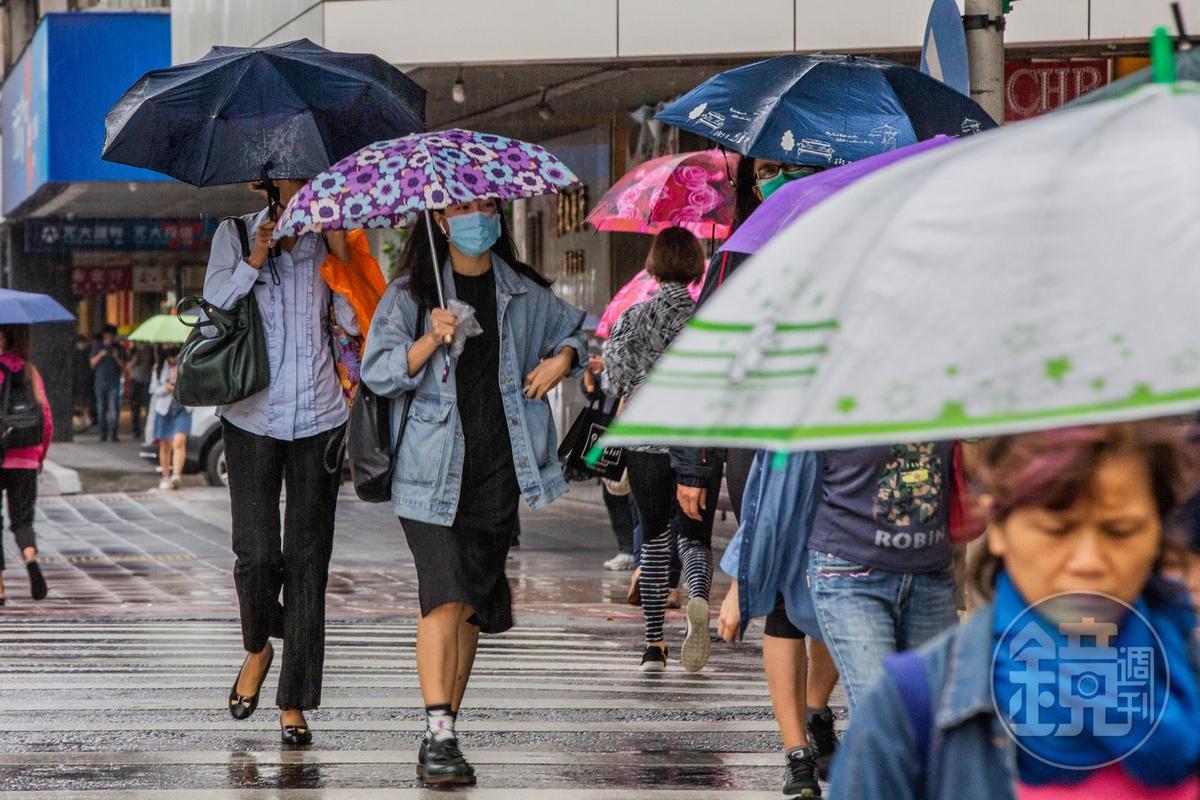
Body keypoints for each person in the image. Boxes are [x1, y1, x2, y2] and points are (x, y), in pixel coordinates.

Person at [830, 422, 1200, 799]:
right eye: (1056, 530)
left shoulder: (1190, 674)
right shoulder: (908, 709)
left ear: (1158, 531)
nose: (1088, 561)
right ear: (999, 529)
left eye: (1120, 530)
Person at [361, 197, 585, 786]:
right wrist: (429, 340)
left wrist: (562, 359)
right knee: (444, 593)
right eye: (462, 207)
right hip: (429, 472)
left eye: (487, 206)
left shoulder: (521, 291)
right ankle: (438, 733)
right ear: (439, 220)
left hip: (496, 472)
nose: (477, 216)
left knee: (468, 609)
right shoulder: (413, 293)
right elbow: (378, 371)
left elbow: (579, 329)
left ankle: (445, 730)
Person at [205, 178, 358, 747]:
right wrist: (256, 256)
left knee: (308, 561)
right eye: (292, 177)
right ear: (265, 182)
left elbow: (357, 321)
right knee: (256, 555)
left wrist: (342, 256)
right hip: (250, 414)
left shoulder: (334, 239)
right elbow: (214, 308)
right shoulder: (235, 233)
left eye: (310, 176)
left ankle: (294, 700)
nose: (302, 188)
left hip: (320, 414)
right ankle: (258, 648)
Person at [602, 226, 719, 674]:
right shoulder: (707, 318)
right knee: (694, 537)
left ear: (654, 263)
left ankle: (654, 644)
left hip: (645, 442)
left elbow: (614, 380)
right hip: (696, 444)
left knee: (653, 540)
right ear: (694, 265)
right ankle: (700, 600)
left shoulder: (633, 317)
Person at [807, 443, 959, 716]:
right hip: (850, 569)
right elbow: (781, 470)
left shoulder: (946, 401)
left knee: (932, 717)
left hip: (930, 572)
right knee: (881, 712)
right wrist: (745, 576)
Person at [0, 325, 52, 605]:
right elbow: (46, 416)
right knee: (22, 520)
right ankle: (30, 557)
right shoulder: (30, 371)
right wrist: (39, 455)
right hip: (26, 456)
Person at [580, 349, 636, 571]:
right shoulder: (612, 355)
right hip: (606, 433)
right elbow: (591, 392)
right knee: (611, 490)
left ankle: (635, 551)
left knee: (631, 493)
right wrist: (588, 371)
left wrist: (610, 366)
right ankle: (626, 549)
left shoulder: (636, 353)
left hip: (630, 434)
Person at [150, 346, 191, 490]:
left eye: (175, 357)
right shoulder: (158, 367)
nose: (173, 361)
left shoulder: (187, 365)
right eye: (170, 358)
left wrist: (178, 380)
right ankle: (165, 477)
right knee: (165, 444)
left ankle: (176, 476)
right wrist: (166, 388)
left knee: (180, 441)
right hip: (164, 409)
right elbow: (153, 389)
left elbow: (192, 386)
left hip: (183, 408)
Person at [89, 325, 126, 442]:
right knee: (101, 409)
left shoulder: (118, 348)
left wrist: (116, 358)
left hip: (114, 383)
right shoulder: (97, 347)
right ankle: (102, 433)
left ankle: (113, 432)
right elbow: (92, 364)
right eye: (107, 336)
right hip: (100, 383)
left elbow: (124, 366)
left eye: (111, 336)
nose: (109, 338)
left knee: (113, 408)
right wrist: (100, 355)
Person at [128, 343, 154, 439]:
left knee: (147, 406)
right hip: (136, 379)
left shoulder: (150, 350)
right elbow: (128, 365)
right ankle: (136, 429)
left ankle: (146, 428)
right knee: (135, 406)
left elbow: (152, 364)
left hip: (146, 380)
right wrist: (134, 360)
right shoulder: (133, 350)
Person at [72, 335, 95, 432]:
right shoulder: (82, 353)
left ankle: (83, 422)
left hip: (82, 383)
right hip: (81, 383)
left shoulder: (82, 353)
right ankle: (83, 422)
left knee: (82, 403)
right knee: (82, 403)